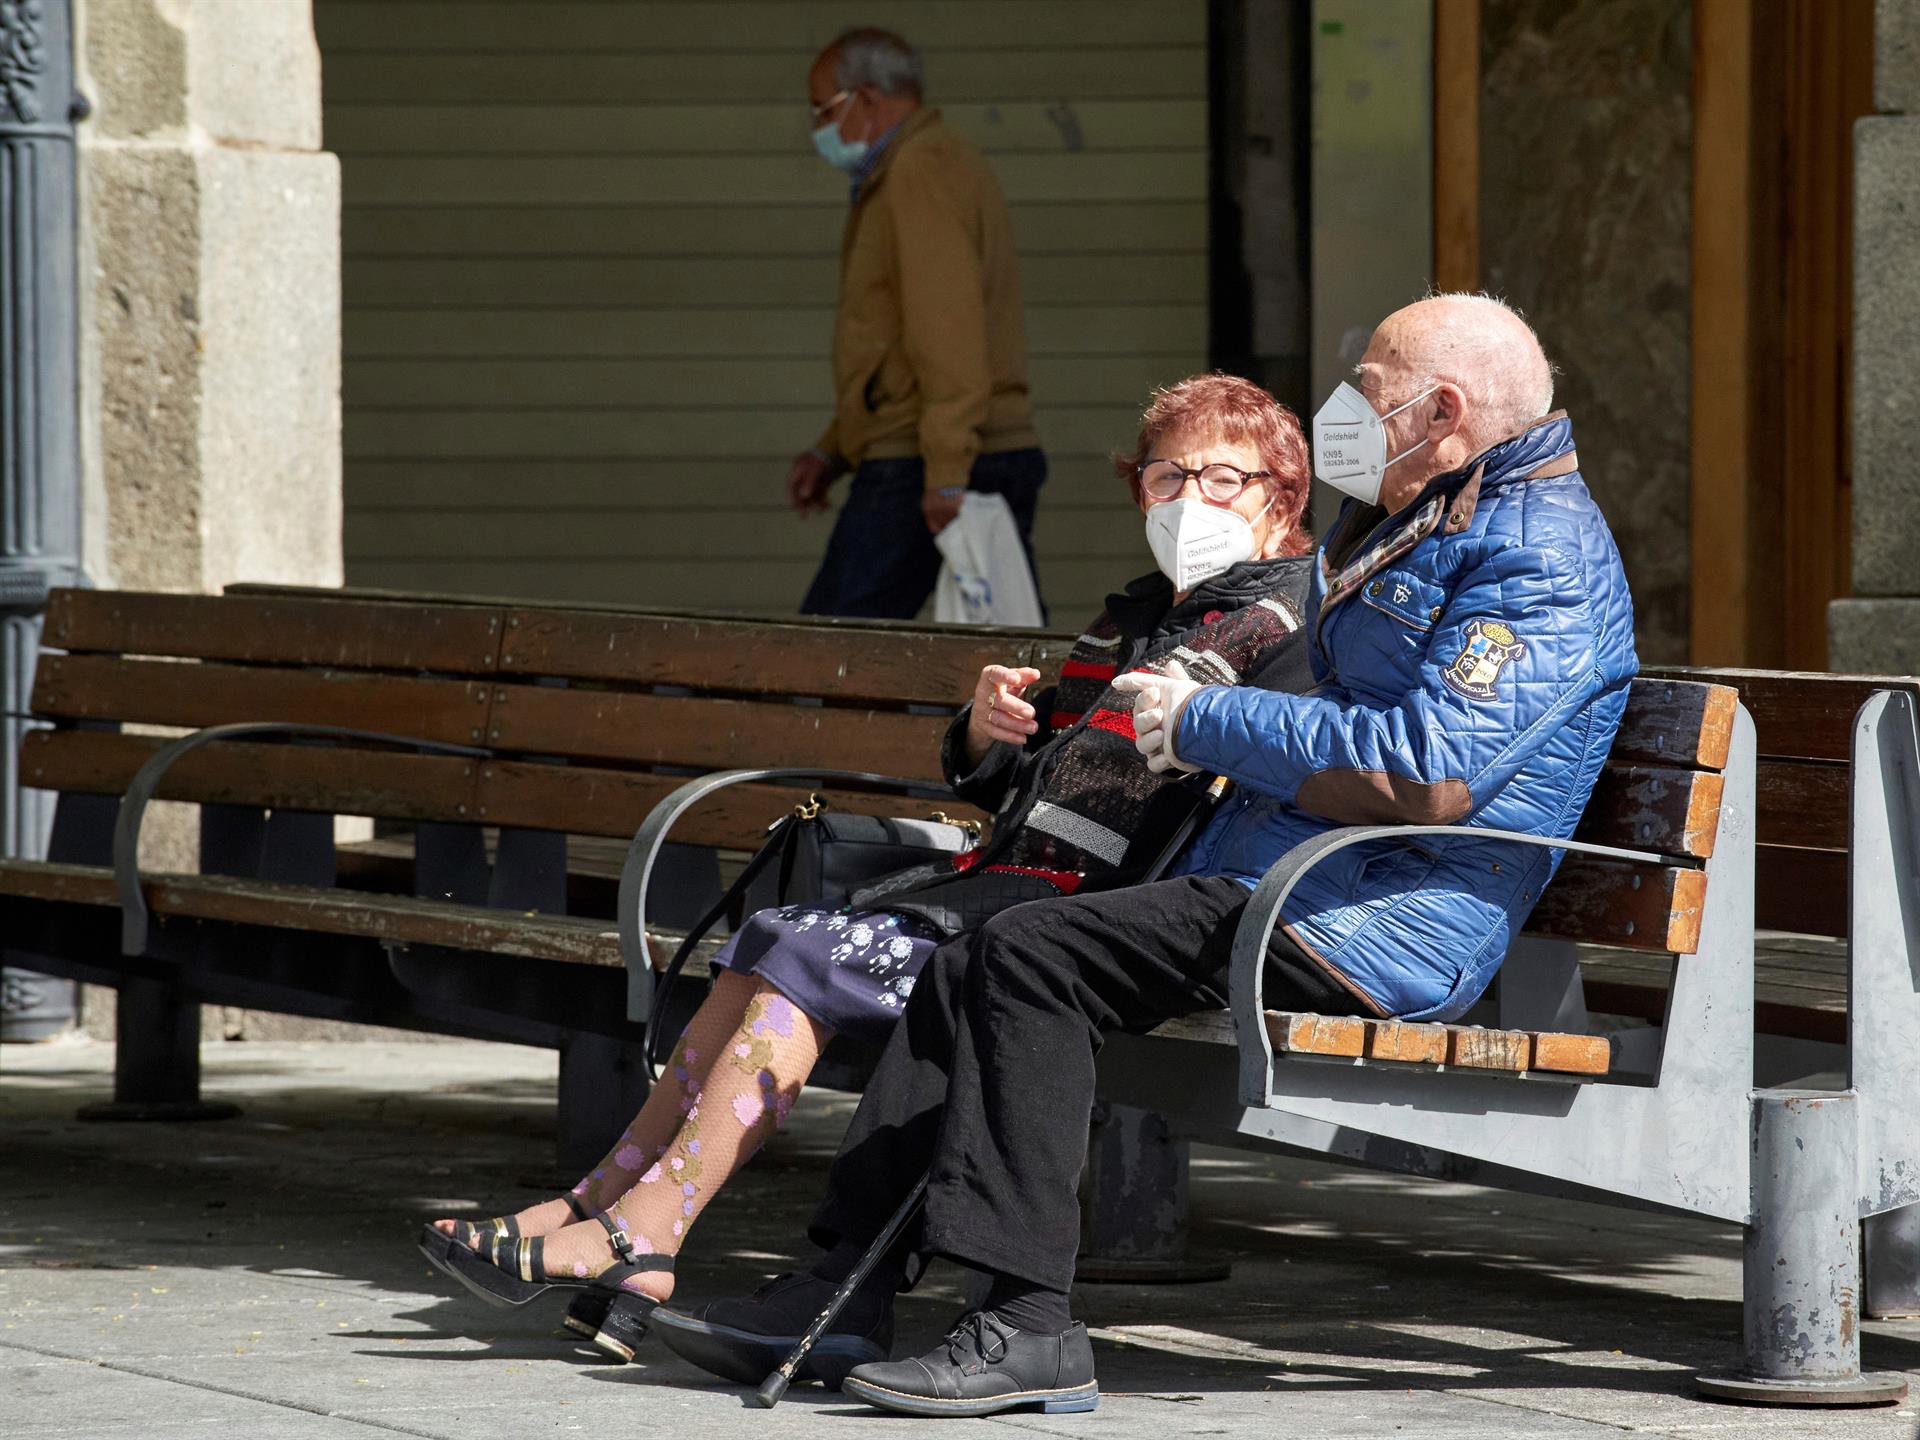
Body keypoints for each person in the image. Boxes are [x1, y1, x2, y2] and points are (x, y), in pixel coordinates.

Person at [652, 294, 1640, 1418]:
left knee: (1027, 960)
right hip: (1289, 879)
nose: (1346, 412)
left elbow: (1427, 773)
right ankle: (842, 1290)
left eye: (1368, 390)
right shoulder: (1432, 514)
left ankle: (1026, 1324)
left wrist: (1203, 721)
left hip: (1374, 921)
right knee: (979, 955)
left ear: (1444, 411)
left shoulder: (1538, 555)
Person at [419, 374, 1314, 1365]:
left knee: (812, 952)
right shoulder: (1132, 619)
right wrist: (986, 734)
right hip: (1009, 883)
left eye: (1223, 478)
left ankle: (644, 1232)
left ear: (1282, 495)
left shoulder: (1283, 626)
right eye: (1167, 475)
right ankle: (602, 1207)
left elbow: (1222, 790)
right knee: (772, 938)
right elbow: (1046, 781)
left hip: (1080, 922)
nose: (1190, 499)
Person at [788, 27, 1045, 618]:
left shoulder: (917, 171)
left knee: (828, 650)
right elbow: (893, 346)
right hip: (948, 449)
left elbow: (945, 329)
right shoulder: (931, 163)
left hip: (926, 461)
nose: (816, 127)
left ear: (864, 99)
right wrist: (834, 449)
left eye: (822, 110)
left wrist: (948, 472)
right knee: (1001, 647)